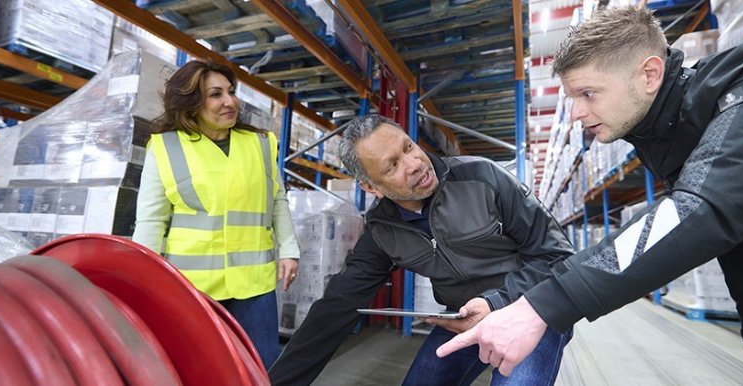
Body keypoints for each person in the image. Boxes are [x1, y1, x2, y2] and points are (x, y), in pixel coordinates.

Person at [437, 6, 743, 386]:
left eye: (588, 94)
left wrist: (542, 305)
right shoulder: (665, 138)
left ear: (649, 75)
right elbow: (739, 239)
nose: (576, 113)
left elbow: (703, 211)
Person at [268, 115, 575, 385]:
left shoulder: (484, 179)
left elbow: (558, 255)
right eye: (393, 166)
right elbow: (338, 305)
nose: (415, 164)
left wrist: (496, 302)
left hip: (532, 307)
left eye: (408, 147)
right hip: (463, 315)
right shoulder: (383, 230)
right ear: (371, 188)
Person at [133, 60, 300, 368]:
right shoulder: (166, 147)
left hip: (254, 285)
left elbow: (276, 200)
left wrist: (289, 249)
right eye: (216, 94)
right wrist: (144, 279)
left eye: (231, 92)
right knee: (200, 367)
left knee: (260, 367)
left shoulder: (260, 144)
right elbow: (151, 219)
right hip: (191, 284)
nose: (229, 101)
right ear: (192, 103)